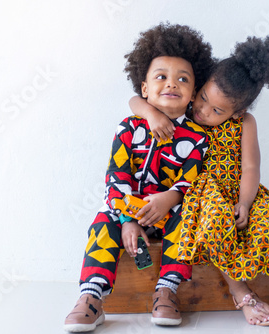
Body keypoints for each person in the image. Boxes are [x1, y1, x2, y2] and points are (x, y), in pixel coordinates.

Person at [130, 34, 269, 326]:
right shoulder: (184, 109)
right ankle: (243, 294)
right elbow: (134, 99)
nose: (203, 111)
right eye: (202, 98)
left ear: (238, 112)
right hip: (201, 192)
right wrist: (150, 113)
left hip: (240, 191)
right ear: (199, 87)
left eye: (217, 111)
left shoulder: (245, 123)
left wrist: (246, 202)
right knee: (215, 225)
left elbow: (251, 168)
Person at [63, 23, 214, 332]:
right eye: (161, 77)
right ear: (144, 89)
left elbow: (191, 180)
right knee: (102, 222)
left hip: (170, 212)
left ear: (192, 94)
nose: (172, 84)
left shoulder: (198, 137)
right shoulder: (128, 129)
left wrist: (169, 197)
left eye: (182, 79)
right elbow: (115, 179)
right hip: (127, 212)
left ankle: (167, 291)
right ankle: (91, 297)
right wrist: (127, 220)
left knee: (189, 216)